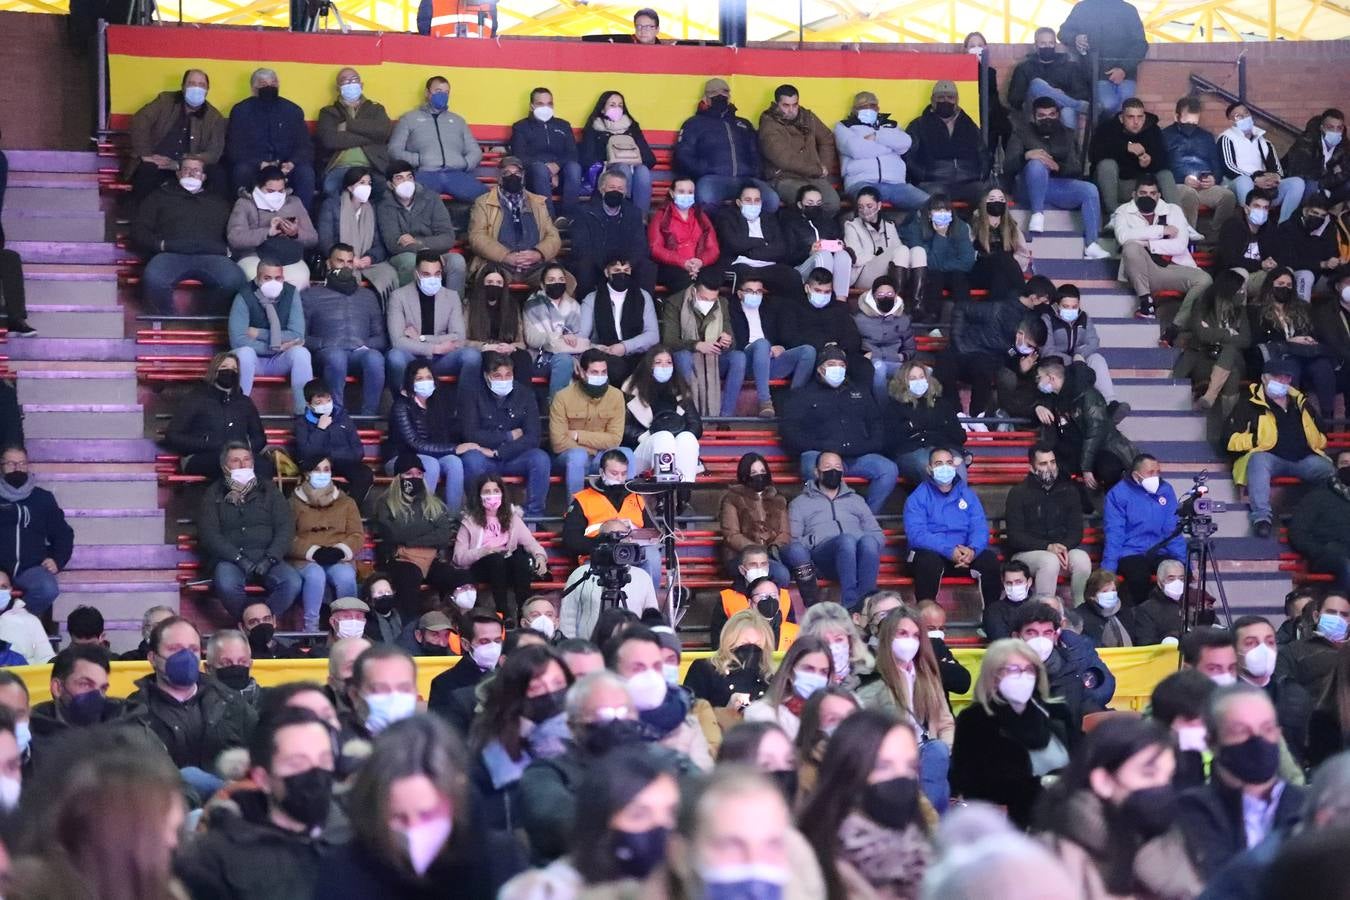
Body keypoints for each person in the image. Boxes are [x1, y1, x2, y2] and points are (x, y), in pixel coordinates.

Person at [314, 715, 524, 899]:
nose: (413, 830)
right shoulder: (343, 872)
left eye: (428, 815)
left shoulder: (502, 861)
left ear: (457, 797)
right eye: (398, 818)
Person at [175, 706, 337, 900]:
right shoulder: (213, 862)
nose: (314, 772)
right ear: (262, 778)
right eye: (296, 763)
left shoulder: (352, 843)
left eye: (324, 760)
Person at [8, 729, 186, 900]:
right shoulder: (33, 892)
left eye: (176, 830)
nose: (173, 842)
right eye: (161, 828)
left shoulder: (167, 891)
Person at [1039, 715, 1203, 898]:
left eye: (1168, 777)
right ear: (1103, 781)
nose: (1162, 787)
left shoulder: (1169, 836)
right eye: (1149, 774)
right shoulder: (1056, 854)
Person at [1175, 684, 1307, 879]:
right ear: (1211, 742)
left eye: (1267, 728)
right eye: (1240, 731)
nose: (1257, 739)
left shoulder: (1310, 809)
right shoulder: (1190, 811)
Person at [797, 710, 931, 900]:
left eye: (910, 767)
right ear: (848, 770)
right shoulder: (813, 862)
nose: (901, 778)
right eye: (883, 766)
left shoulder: (920, 849)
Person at [950, 638, 1075, 826]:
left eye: (1029, 670)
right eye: (1014, 670)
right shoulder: (974, 720)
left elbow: (1080, 761)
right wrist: (1041, 785)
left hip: (1064, 813)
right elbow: (970, 784)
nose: (1023, 676)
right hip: (1008, 824)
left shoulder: (1058, 713)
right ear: (993, 676)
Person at [128, 615, 258, 795]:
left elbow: (263, 758)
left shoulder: (231, 702)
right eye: (175, 649)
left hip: (227, 812)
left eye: (193, 649)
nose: (185, 656)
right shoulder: (134, 712)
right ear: (152, 657)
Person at [468, 644, 573, 839]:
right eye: (537, 688)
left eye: (558, 685)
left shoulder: (579, 734)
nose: (551, 695)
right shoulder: (493, 747)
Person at [856, 607, 955, 809]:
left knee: (937, 754)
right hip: (888, 756)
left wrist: (947, 747)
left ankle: (928, 822)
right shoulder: (873, 678)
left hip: (927, 750)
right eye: (902, 633)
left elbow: (946, 723)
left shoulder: (928, 676)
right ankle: (927, 823)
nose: (909, 640)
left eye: (915, 635)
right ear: (888, 637)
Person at [780, 346, 897, 513]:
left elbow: (876, 422)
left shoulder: (859, 392)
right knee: (809, 463)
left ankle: (868, 517)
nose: (838, 369)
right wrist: (820, 447)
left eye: (842, 365)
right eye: (832, 364)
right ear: (820, 369)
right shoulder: (803, 395)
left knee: (888, 469)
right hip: (821, 454)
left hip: (858, 455)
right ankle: (827, 515)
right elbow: (789, 429)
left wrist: (870, 445)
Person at [1225, 357, 1332, 537]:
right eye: (1278, 377)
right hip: (1270, 456)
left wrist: (1317, 441)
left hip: (1303, 458)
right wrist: (1257, 440)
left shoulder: (1300, 403)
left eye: (1286, 377)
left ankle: (1306, 517)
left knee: (1328, 470)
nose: (1283, 381)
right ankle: (1262, 518)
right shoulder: (1249, 403)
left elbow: (1322, 432)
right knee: (1258, 460)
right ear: (1265, 378)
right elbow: (1229, 439)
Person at [199, 442, 302, 622]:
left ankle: (265, 624)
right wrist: (238, 558)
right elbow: (210, 535)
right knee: (226, 584)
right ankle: (249, 624)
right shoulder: (213, 494)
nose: (243, 465)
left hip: (268, 558)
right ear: (225, 466)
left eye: (247, 460)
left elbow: (285, 527)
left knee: (292, 582)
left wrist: (271, 558)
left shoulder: (269, 490)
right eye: (236, 461)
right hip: (231, 560)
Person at [133, 154, 243, 314]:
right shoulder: (159, 197)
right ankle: (167, 321)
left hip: (212, 257)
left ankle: (209, 320)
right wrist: (159, 245)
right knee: (154, 278)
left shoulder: (219, 202)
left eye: (196, 170)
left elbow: (235, 232)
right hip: (170, 254)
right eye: (186, 169)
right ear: (178, 173)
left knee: (234, 279)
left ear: (204, 176)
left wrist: (228, 251)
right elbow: (139, 229)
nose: (191, 173)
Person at [1007, 97, 1110, 258]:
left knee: (1090, 190)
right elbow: (1009, 166)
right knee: (1037, 163)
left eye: (1051, 114)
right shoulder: (1021, 132)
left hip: (1055, 186)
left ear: (1058, 115)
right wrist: (1026, 155)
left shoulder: (1067, 134)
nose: (1047, 119)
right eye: (1042, 115)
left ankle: (1092, 244)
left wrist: (1058, 166)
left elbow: (1076, 168)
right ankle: (1037, 214)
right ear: (1034, 117)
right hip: (1027, 188)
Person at [783, 451, 884, 611]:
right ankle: (850, 605)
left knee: (869, 541)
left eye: (837, 467)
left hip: (857, 558)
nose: (833, 471)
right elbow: (793, 541)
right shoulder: (800, 503)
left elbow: (877, 534)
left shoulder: (856, 500)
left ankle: (867, 604)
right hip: (824, 559)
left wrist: (863, 538)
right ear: (817, 472)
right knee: (846, 540)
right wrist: (816, 538)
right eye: (828, 467)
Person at [560, 449, 662, 604]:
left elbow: (651, 533)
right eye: (614, 473)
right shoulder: (583, 499)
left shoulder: (636, 497)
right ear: (602, 472)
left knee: (653, 555)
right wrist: (604, 541)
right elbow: (570, 540)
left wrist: (634, 536)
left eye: (623, 473)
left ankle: (649, 609)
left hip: (632, 554)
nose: (619, 478)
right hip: (597, 556)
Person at [904, 447, 1002, 609]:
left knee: (989, 560)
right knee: (928, 562)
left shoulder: (968, 495)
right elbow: (917, 535)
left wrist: (972, 550)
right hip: (932, 555)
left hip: (964, 556)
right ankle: (926, 621)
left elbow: (979, 528)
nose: (945, 467)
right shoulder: (917, 498)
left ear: (955, 467)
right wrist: (950, 551)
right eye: (939, 463)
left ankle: (992, 618)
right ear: (929, 469)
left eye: (949, 463)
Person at [457, 352, 551, 517]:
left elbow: (533, 436)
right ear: (487, 376)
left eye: (508, 375)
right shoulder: (473, 394)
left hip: (513, 455)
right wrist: (508, 436)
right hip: (483, 456)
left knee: (540, 458)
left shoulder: (525, 394)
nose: (503, 380)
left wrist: (500, 451)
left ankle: (533, 517)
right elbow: (470, 434)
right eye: (497, 376)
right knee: (472, 460)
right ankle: (477, 515)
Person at [606, 627, 714, 769]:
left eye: (657, 667)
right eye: (638, 668)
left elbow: (702, 782)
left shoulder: (687, 728)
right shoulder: (597, 728)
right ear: (615, 675)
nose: (650, 676)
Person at [1112, 173, 1211, 324]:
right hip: (1142, 271)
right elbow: (1123, 237)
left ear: (1158, 195)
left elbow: (1179, 246)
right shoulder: (1123, 211)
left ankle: (1176, 326)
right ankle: (1146, 304)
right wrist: (1161, 230)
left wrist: (1147, 244)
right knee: (1131, 246)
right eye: (1143, 193)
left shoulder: (1173, 210)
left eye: (1152, 193)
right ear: (1134, 194)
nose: (1148, 197)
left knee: (1205, 280)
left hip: (1174, 267)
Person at [303, 244, 388, 417]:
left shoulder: (368, 296)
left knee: (375, 358)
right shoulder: (310, 295)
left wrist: (363, 344)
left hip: (359, 353)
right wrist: (323, 344)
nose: (345, 266)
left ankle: (368, 417)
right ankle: (337, 416)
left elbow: (381, 338)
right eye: (340, 261)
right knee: (337, 356)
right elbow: (300, 337)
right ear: (329, 264)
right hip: (327, 354)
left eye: (350, 262)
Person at [373, 454, 459, 619]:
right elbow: (394, 533)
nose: (415, 478)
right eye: (409, 474)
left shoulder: (434, 503)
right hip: (399, 560)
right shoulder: (385, 503)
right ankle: (408, 626)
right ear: (398, 477)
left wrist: (409, 541)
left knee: (458, 577)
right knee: (409, 577)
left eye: (419, 474)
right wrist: (428, 526)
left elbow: (443, 536)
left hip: (430, 559)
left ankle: (453, 625)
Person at [1004, 444, 1093, 603]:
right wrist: (1048, 547)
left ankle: (1081, 608)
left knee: (1082, 559)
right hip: (1026, 553)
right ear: (1031, 467)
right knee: (1049, 561)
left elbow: (1076, 531)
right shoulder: (1018, 493)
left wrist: (1063, 546)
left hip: (1061, 549)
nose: (1050, 467)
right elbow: (1015, 536)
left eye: (1052, 462)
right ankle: (1045, 609)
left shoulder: (1069, 491)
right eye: (1043, 464)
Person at [452, 474, 547, 621]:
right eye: (487, 492)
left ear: (502, 493)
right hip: (482, 567)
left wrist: (540, 556)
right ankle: (503, 613)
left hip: (507, 566)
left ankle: (524, 611)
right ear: (479, 496)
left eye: (496, 491)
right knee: (495, 559)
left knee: (520, 560)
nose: (492, 496)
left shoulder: (512, 518)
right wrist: (484, 551)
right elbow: (459, 558)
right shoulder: (469, 521)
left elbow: (531, 543)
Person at [674, 78, 777, 212]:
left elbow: (756, 153)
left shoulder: (743, 124)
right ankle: (717, 232)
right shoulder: (694, 124)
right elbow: (683, 156)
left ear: (729, 96)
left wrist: (753, 172)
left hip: (746, 179)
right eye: (714, 93)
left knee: (771, 200)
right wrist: (705, 170)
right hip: (713, 179)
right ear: (705, 98)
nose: (720, 96)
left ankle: (756, 232)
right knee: (706, 198)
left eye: (724, 92)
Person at [1034, 357, 1136, 492]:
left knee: (1108, 469)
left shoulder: (1087, 395)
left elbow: (1095, 434)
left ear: (1051, 378)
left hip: (1103, 448)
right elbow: (1033, 403)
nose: (1038, 382)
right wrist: (1037, 407)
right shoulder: (1055, 397)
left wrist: (1086, 468)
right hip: (1074, 450)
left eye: (1040, 377)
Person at [228, 258, 314, 415]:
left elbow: (297, 335)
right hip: (254, 360)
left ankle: (304, 413)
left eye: (278, 278)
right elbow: (238, 340)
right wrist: (274, 346)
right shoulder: (244, 295)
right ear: (258, 277)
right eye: (267, 278)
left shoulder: (290, 293)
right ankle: (239, 412)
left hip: (280, 358)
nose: (273, 282)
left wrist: (258, 333)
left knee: (301, 353)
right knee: (244, 353)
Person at [287, 454, 362, 633]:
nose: (322, 474)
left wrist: (340, 551)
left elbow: (357, 535)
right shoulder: (293, 503)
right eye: (317, 470)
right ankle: (311, 629)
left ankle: (349, 626)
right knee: (315, 576)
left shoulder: (347, 502)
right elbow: (287, 538)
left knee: (345, 576)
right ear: (307, 474)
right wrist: (312, 551)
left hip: (337, 556)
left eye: (326, 470)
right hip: (306, 559)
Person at [127, 68, 227, 203]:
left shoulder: (214, 117)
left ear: (208, 89)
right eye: (191, 84)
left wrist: (181, 164)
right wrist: (146, 155)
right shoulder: (165, 101)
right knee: (147, 171)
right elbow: (140, 121)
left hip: (189, 168)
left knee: (218, 174)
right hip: (155, 162)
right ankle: (141, 217)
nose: (196, 88)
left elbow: (214, 152)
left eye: (201, 85)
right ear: (183, 87)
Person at [1013, 601, 1115, 728]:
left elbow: (1089, 710)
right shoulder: (1001, 675)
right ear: (1016, 637)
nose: (1040, 640)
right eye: (1031, 633)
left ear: (1055, 636)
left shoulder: (1070, 672)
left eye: (1047, 633)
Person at [1101, 453, 1186, 605]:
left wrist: (1183, 561)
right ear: (1136, 475)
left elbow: (1172, 529)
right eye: (1150, 473)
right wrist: (1108, 570)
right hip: (1130, 552)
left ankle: (1174, 616)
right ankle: (1142, 615)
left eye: (1158, 472)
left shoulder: (1165, 490)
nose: (1156, 476)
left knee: (1178, 572)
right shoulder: (1118, 494)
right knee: (1139, 577)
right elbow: (1115, 533)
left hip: (1159, 550)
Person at [1252, 268, 1338, 416]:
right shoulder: (1255, 310)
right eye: (1280, 283)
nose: (1285, 287)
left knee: (1323, 367)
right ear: (1270, 285)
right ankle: (1293, 417)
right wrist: (1288, 341)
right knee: (1290, 370)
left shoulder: (1303, 308)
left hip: (1303, 354)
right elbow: (1257, 340)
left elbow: (1312, 331)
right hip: (1277, 357)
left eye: (1289, 285)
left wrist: (1308, 339)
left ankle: (1327, 418)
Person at [384, 250, 474, 391]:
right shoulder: (398, 297)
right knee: (395, 357)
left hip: (442, 358)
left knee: (472, 356)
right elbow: (398, 341)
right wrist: (435, 348)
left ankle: (464, 409)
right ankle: (402, 405)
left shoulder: (452, 297)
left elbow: (458, 338)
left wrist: (421, 338)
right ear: (416, 274)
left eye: (437, 274)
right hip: (412, 356)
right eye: (426, 274)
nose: (432, 279)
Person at [387, 75, 486, 203]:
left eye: (446, 92)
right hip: (425, 174)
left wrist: (465, 163)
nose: (443, 95)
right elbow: (394, 150)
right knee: (403, 199)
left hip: (456, 175)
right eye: (438, 91)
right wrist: (419, 160)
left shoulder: (458, 121)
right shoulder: (409, 119)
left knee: (488, 199)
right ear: (427, 93)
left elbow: (475, 151)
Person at [548, 349, 633, 498]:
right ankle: (575, 512)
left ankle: (624, 508)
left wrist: (577, 435)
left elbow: (614, 440)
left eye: (603, 372)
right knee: (578, 456)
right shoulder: (562, 397)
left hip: (601, 457)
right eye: (594, 372)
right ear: (581, 372)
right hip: (569, 459)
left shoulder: (616, 396)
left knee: (626, 453)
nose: (600, 377)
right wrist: (594, 447)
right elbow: (558, 443)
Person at [661, 268, 745, 418]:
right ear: (694, 291)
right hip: (687, 358)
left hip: (714, 359)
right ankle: (690, 414)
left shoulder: (722, 303)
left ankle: (725, 418)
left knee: (738, 358)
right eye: (704, 299)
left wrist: (726, 341)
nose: (709, 303)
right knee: (684, 356)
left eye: (713, 300)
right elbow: (669, 341)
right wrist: (697, 345)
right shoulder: (675, 302)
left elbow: (732, 343)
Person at [0, 446, 72, 620]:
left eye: (22, 463)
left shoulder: (43, 498)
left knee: (48, 589)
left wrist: (57, 559)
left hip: (32, 568)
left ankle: (16, 623)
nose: (17, 468)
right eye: (11, 463)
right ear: (1, 466)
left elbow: (64, 534)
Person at [226, 68, 314, 208]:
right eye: (263, 84)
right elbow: (234, 148)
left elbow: (305, 146)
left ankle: (302, 219)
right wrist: (260, 164)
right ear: (253, 88)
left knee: (305, 173)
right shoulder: (241, 111)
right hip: (255, 165)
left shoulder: (292, 110)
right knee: (241, 170)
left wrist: (291, 163)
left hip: (285, 165)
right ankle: (242, 214)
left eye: (273, 83)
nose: (269, 87)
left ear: (278, 85)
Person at [619, 345, 704, 489]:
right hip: (641, 448)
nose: (664, 366)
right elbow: (622, 426)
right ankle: (663, 495)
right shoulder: (630, 389)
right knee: (663, 437)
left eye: (668, 362)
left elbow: (695, 425)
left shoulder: (680, 388)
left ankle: (683, 492)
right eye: (658, 362)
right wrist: (643, 436)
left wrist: (677, 438)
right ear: (649, 365)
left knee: (687, 438)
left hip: (675, 446)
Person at [467, 156, 561, 285]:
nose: (513, 177)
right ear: (499, 177)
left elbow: (553, 235)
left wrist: (538, 253)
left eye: (517, 173)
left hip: (535, 265)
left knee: (560, 279)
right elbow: (477, 236)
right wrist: (505, 256)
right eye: (507, 173)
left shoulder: (538, 202)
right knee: (492, 280)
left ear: (522, 177)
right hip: (499, 264)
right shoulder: (483, 202)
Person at [386, 362, 468, 510]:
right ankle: (423, 514)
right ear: (410, 382)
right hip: (401, 457)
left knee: (454, 462)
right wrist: (454, 448)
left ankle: (453, 517)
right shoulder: (401, 405)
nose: (425, 382)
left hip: (432, 454)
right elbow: (414, 443)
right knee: (431, 464)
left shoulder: (438, 403)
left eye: (428, 377)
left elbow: (446, 434)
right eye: (419, 379)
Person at [378, 160, 468, 293]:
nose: (406, 182)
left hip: (435, 253)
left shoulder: (431, 198)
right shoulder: (384, 206)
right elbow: (393, 244)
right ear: (390, 185)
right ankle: (409, 307)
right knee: (410, 261)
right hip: (403, 256)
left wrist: (420, 244)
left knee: (457, 261)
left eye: (409, 177)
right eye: (399, 178)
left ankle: (454, 306)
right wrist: (426, 254)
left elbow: (448, 238)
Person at [1234, 615, 1312, 767]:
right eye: (1251, 643)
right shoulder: (1222, 697)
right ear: (1233, 651)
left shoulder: (1296, 696)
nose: (1263, 650)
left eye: (1270, 642)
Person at [567, 168, 656, 302]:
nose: (616, 191)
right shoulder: (584, 212)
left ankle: (643, 309)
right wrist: (607, 267)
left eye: (620, 188)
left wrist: (628, 265)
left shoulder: (634, 213)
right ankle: (586, 308)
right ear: (602, 189)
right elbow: (581, 247)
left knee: (646, 267)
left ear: (626, 191)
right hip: (596, 263)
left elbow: (640, 245)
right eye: (612, 187)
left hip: (624, 264)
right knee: (584, 266)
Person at [835, 89, 928, 212]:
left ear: (878, 108)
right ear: (854, 110)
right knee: (868, 206)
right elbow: (856, 149)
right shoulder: (844, 126)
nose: (868, 109)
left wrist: (876, 137)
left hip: (896, 185)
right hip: (862, 183)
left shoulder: (891, 125)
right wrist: (890, 146)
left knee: (931, 205)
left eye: (872, 106)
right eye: (863, 107)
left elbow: (905, 143)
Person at [227, 166, 318, 291]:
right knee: (256, 276)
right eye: (270, 191)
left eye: (280, 191)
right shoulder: (244, 204)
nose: (276, 195)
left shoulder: (294, 202)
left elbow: (313, 238)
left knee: (300, 278)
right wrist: (267, 232)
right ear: (258, 187)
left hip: (289, 257)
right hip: (254, 257)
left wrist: (295, 233)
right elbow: (235, 238)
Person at [317, 166, 400, 300]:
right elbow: (325, 240)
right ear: (349, 187)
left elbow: (379, 244)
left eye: (369, 183)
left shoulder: (371, 208)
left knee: (388, 275)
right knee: (345, 273)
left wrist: (369, 258)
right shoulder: (331, 205)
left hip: (366, 263)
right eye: (362, 183)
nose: (367, 187)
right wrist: (350, 259)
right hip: (341, 260)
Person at [1175, 268, 1252, 412]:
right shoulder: (1202, 306)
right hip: (1205, 360)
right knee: (1232, 375)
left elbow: (1246, 340)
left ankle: (1210, 396)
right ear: (1229, 289)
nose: (1242, 293)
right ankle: (1230, 425)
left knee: (1230, 350)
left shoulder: (1240, 311)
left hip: (1235, 359)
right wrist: (1228, 333)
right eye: (1240, 289)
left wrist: (1214, 333)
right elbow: (1201, 335)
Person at [579, 253, 660, 389]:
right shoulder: (592, 299)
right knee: (616, 368)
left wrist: (625, 347)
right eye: (617, 271)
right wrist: (598, 348)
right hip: (605, 353)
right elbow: (581, 337)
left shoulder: (643, 297)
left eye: (626, 270)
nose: (622, 274)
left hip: (636, 351)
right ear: (606, 272)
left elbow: (653, 335)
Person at [757, 84, 840, 216]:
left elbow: (827, 139)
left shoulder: (807, 117)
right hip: (784, 178)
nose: (791, 110)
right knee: (806, 201)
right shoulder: (769, 123)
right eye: (786, 105)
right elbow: (784, 159)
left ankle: (821, 233)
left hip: (813, 176)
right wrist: (818, 170)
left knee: (832, 203)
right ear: (776, 104)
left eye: (795, 105)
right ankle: (805, 234)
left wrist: (824, 166)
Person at [1163, 96, 1239, 239]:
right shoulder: (1164, 136)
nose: (1190, 125)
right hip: (1178, 185)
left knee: (1228, 197)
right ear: (1177, 117)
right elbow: (1161, 168)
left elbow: (1217, 165)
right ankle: (1186, 235)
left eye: (1194, 122)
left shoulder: (1206, 137)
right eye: (1187, 121)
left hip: (1204, 186)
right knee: (1189, 194)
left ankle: (1215, 234)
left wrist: (1213, 178)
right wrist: (1182, 178)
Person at [1056, 0, 1147, 119]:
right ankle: (1106, 135)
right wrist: (1075, 38)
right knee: (1109, 105)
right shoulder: (1083, 7)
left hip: (1126, 75)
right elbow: (1063, 32)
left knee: (1126, 110)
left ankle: (1109, 135)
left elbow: (1140, 44)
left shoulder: (1128, 10)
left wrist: (1123, 69)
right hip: (1097, 75)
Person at [1219, 103, 1307, 225]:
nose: (1245, 117)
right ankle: (1249, 224)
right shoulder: (1226, 138)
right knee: (1244, 181)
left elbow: (1278, 170)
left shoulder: (1264, 142)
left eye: (1246, 113)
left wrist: (1273, 179)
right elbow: (1228, 167)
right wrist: (1255, 179)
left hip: (1265, 186)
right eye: (1239, 116)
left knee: (1297, 183)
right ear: (1232, 121)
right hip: (1238, 184)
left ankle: (1283, 226)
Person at [904, 80, 989, 205]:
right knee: (937, 200)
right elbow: (908, 157)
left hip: (969, 181)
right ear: (932, 100)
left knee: (988, 197)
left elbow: (983, 153)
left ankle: (978, 225)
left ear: (957, 100)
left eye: (950, 97)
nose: (946, 101)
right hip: (933, 181)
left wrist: (981, 175)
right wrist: (922, 175)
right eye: (941, 97)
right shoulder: (919, 125)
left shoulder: (969, 124)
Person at [882, 361, 967, 486]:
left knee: (957, 469)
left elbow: (959, 435)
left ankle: (959, 504)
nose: (918, 381)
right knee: (928, 468)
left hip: (943, 448)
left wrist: (958, 452)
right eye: (913, 378)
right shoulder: (894, 407)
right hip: (911, 452)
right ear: (903, 382)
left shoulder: (941, 404)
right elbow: (889, 441)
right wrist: (914, 426)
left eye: (922, 377)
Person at [29, 644, 128, 750]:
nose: (96, 695)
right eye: (85, 684)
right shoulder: (29, 735)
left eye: (103, 688)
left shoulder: (122, 729)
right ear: (57, 688)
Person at [1091, 97, 1180, 212]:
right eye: (1131, 117)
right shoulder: (1107, 128)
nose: (1136, 122)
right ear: (1122, 118)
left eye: (1140, 117)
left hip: (1143, 185)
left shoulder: (1153, 130)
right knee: (1107, 164)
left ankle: (1178, 218)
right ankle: (1114, 214)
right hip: (1117, 184)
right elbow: (1094, 154)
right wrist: (1125, 147)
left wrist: (1149, 162)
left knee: (1165, 173)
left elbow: (1165, 160)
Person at [900, 193, 979, 324]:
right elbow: (927, 263)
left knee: (958, 278)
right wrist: (941, 236)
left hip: (954, 271)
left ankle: (967, 320)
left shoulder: (961, 227)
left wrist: (943, 266)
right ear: (930, 213)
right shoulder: (916, 227)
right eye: (937, 209)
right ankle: (932, 323)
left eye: (946, 210)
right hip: (928, 274)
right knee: (935, 276)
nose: (942, 213)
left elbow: (967, 261)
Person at [317, 66, 392, 200]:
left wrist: (348, 125)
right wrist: (371, 136)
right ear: (338, 88)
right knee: (330, 188)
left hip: (372, 167)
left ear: (361, 85)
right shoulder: (328, 112)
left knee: (383, 189)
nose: (351, 83)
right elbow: (329, 140)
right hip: (340, 168)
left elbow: (383, 131)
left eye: (354, 80)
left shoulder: (376, 109)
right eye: (345, 81)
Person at [294, 379, 374, 504]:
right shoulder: (302, 423)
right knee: (316, 476)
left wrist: (333, 457)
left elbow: (358, 452)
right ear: (309, 405)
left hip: (343, 462)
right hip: (316, 465)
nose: (325, 405)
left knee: (364, 474)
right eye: (319, 402)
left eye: (328, 400)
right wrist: (320, 429)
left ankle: (349, 508)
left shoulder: (343, 418)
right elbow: (306, 452)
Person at [1042, 283, 1120, 408]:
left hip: (1080, 360)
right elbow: (1047, 350)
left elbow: (1093, 341)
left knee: (1097, 359)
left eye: (1074, 306)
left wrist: (1079, 356)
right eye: (1066, 306)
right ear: (1057, 305)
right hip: (1058, 364)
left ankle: (1110, 403)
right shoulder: (1047, 319)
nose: (1071, 310)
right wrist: (1072, 360)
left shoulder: (1083, 317)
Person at [684, 608, 775, 713]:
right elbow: (691, 717)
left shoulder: (769, 679)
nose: (751, 649)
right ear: (729, 641)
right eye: (744, 643)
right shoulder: (704, 669)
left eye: (758, 645)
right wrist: (727, 710)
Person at [718, 454, 791, 583]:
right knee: (781, 574)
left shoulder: (778, 499)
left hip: (772, 555)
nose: (759, 476)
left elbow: (784, 533)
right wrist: (758, 551)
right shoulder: (732, 498)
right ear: (745, 475)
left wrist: (773, 548)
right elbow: (732, 535)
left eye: (763, 471)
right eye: (754, 472)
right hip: (741, 556)